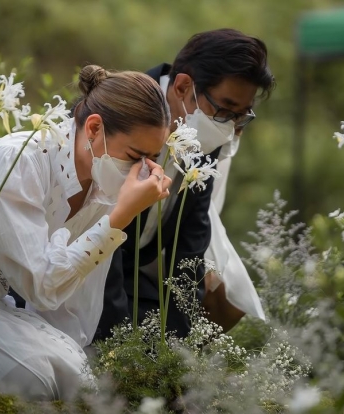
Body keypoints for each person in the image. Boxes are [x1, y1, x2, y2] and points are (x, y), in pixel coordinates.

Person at [0, 65, 172, 401]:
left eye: (152, 159)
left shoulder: (105, 189)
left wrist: (75, 365)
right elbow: (41, 284)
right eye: (136, 156)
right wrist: (117, 220)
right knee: (38, 377)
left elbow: (74, 309)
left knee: (77, 379)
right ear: (93, 128)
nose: (145, 171)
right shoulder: (18, 161)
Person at [95, 29, 275, 341]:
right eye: (225, 109)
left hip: (133, 273)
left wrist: (180, 335)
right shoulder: (122, 109)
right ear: (182, 86)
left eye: (241, 116)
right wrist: (119, 337)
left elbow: (192, 234)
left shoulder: (208, 128)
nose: (229, 126)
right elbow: (96, 219)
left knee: (196, 324)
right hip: (83, 267)